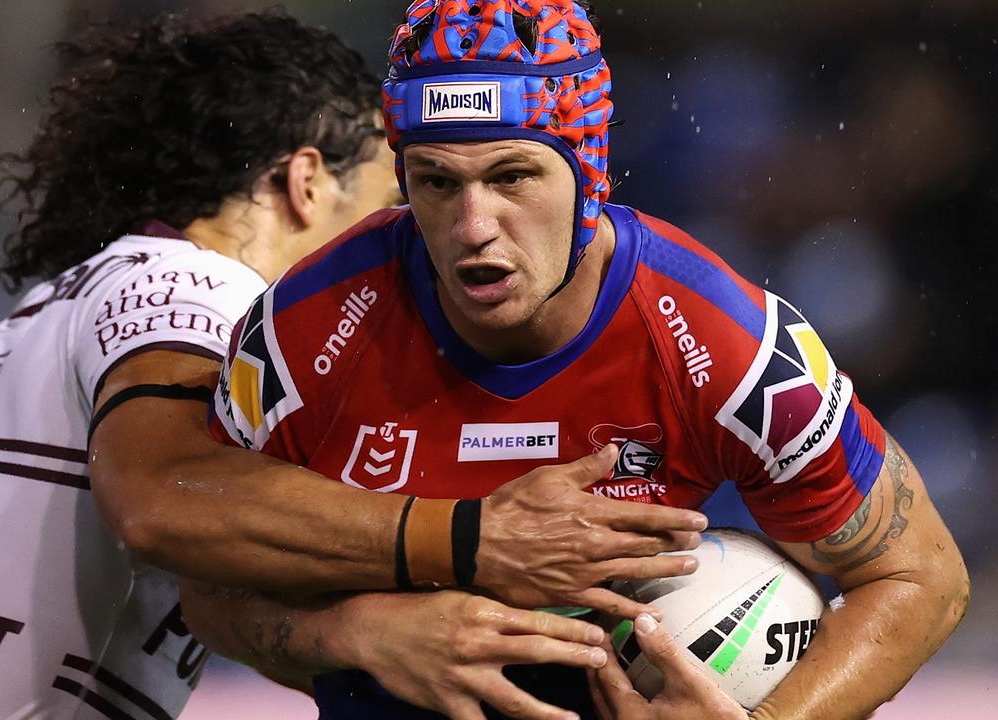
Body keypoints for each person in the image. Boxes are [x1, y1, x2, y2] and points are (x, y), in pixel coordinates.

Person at [0, 8, 711, 720]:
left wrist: (359, 637)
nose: (426, 230)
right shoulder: (199, 295)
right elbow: (161, 499)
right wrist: (469, 540)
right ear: (305, 182)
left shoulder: (95, 290)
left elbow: (232, 576)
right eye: (401, 184)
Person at [195, 1, 971, 719]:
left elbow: (921, 579)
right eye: (436, 181)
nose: (473, 227)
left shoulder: (723, 342)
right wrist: (356, 635)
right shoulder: (301, 335)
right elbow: (207, 589)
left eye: (512, 177)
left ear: (590, 175)